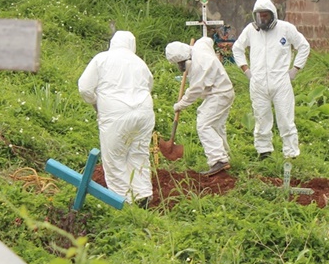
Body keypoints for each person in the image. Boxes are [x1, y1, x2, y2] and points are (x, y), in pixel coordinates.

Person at [78, 31, 155, 206]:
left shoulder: (102, 59)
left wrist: (96, 103)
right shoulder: (140, 63)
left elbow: (84, 87)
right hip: (144, 113)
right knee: (139, 155)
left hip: (116, 114)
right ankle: (142, 197)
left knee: (114, 159)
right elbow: (149, 85)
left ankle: (121, 203)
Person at [232, 0, 310, 160]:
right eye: (259, 15)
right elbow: (237, 48)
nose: (262, 18)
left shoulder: (286, 29)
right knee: (261, 119)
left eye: (265, 15)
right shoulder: (251, 30)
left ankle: (291, 154)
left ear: (272, 14)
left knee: (286, 119)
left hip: (281, 82)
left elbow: (303, 46)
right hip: (258, 82)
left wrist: (295, 70)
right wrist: (246, 70)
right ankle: (264, 152)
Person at [165, 37, 236, 175]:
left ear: (186, 59)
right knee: (216, 126)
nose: (180, 66)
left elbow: (195, 90)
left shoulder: (199, 65)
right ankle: (225, 156)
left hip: (219, 94)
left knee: (204, 124)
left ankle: (218, 160)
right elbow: (207, 40)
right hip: (222, 91)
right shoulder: (198, 48)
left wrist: (181, 104)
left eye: (180, 63)